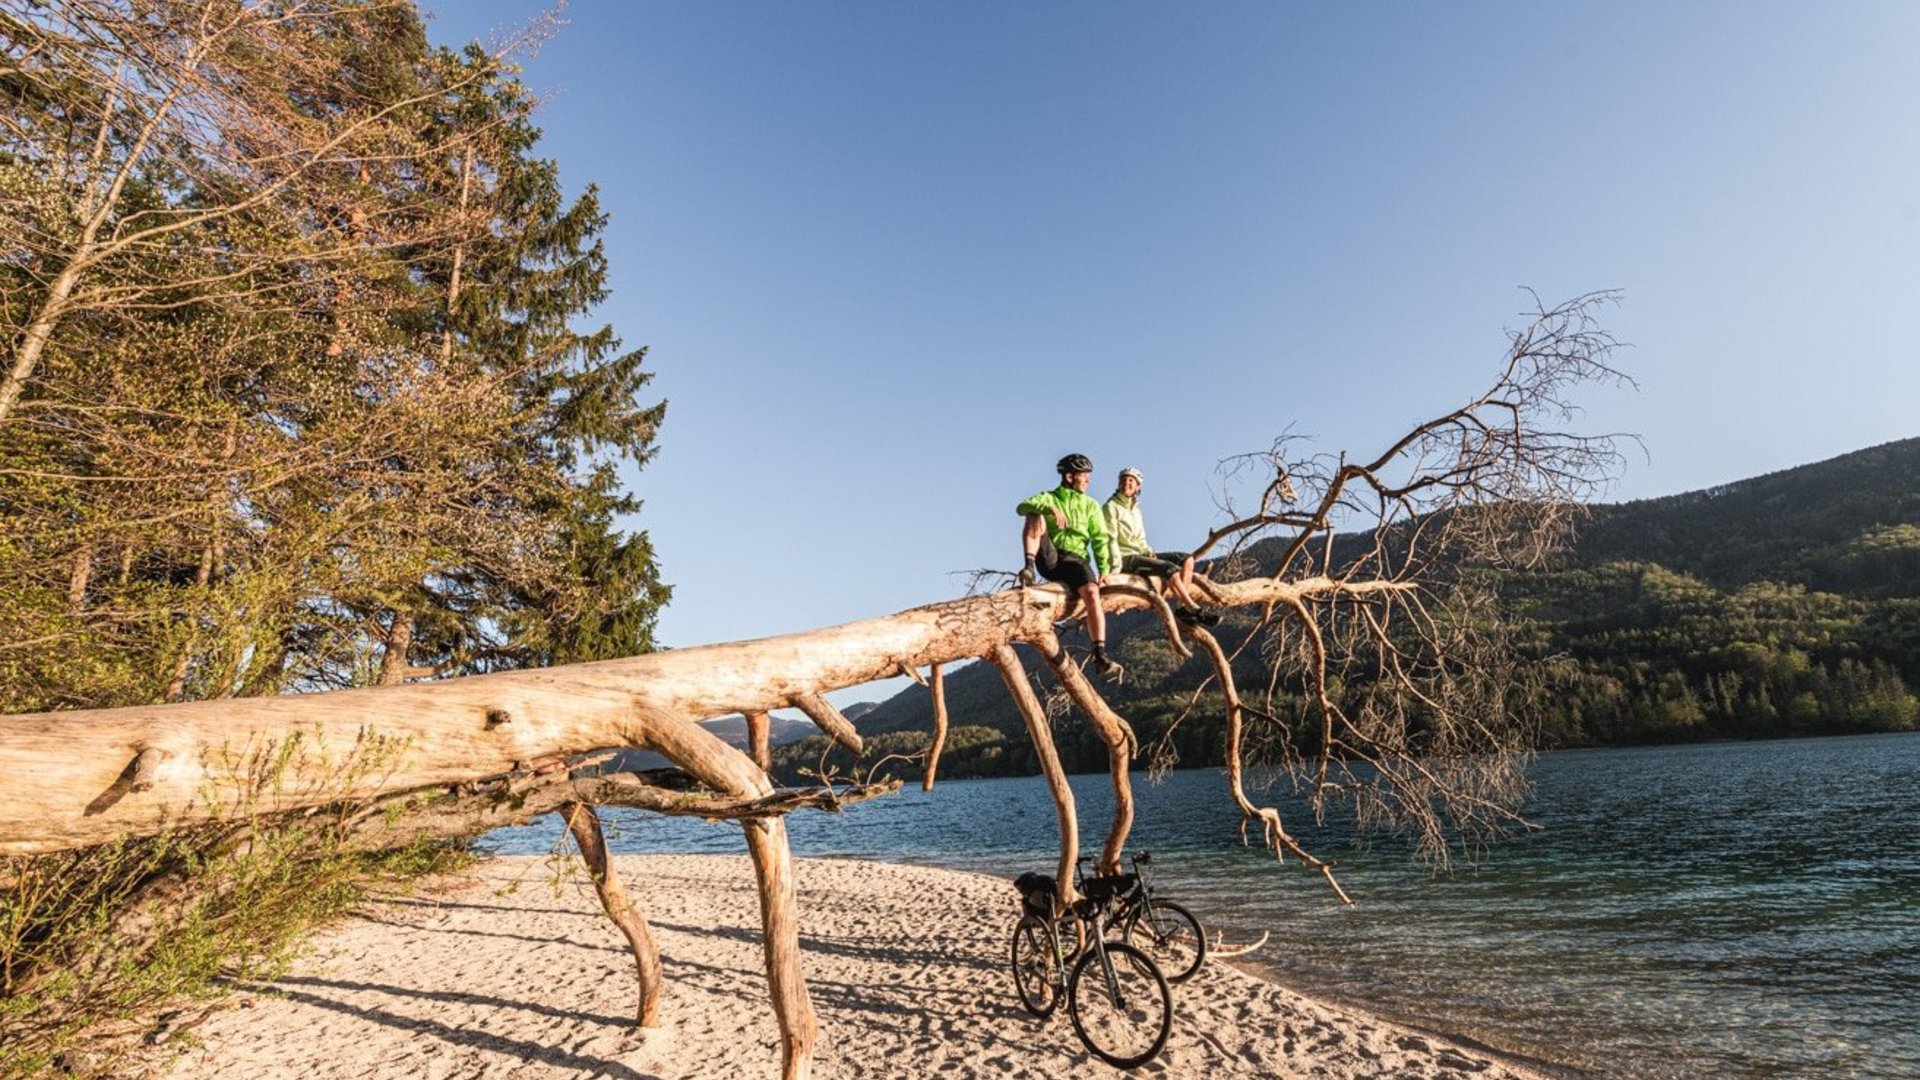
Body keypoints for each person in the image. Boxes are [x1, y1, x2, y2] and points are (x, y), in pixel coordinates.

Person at [1016, 453, 1122, 677]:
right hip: (1050, 557)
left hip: (1075, 560)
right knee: (1034, 513)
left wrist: (1104, 570)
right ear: (1069, 476)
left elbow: (1100, 539)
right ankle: (1028, 568)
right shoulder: (1050, 497)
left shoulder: (1091, 506)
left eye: (1088, 476)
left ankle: (1100, 654)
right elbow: (1021, 507)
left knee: (1092, 592)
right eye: (1084, 475)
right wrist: (1048, 509)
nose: (1088, 480)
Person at [1104, 466, 1219, 626]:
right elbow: (1109, 539)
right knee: (1170, 570)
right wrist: (1114, 567)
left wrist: (1149, 551)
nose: (1126, 483)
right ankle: (1194, 608)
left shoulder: (1136, 510)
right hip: (1125, 558)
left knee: (1187, 559)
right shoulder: (1111, 507)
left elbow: (1141, 538)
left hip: (1141, 554)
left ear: (1138, 486)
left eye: (1131, 480)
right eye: (1123, 480)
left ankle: (1183, 609)